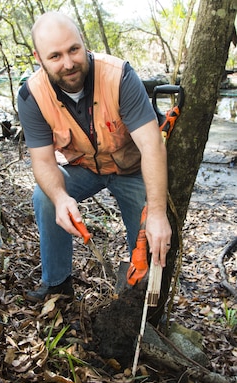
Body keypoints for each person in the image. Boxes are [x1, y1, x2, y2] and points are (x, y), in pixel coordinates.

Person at [17, 11, 172, 302]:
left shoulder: (119, 76)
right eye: (55, 56)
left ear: (83, 43)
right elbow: (43, 161)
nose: (68, 63)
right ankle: (58, 284)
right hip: (84, 166)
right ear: (38, 58)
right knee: (46, 196)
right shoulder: (31, 96)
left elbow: (152, 145)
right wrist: (62, 199)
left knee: (150, 230)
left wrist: (158, 213)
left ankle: (137, 298)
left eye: (73, 49)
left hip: (132, 168)